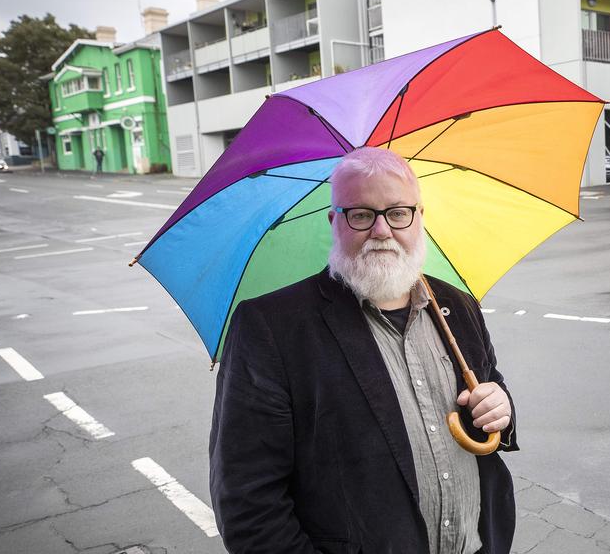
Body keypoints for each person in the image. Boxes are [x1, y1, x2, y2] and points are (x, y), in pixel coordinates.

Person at [210, 147, 517, 554]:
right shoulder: (270, 327)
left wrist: (500, 408)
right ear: (334, 221)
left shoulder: (458, 306)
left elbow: (491, 389)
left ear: (419, 216)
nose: (382, 230)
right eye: (361, 214)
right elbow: (248, 502)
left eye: (397, 212)